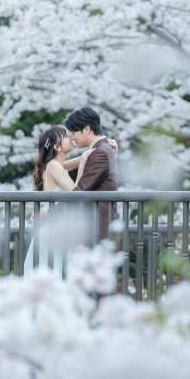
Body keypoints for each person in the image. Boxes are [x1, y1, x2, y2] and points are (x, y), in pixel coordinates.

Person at [23, 125, 117, 276]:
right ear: (57, 146)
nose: (71, 138)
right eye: (65, 136)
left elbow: (83, 157)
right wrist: (83, 166)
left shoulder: (56, 165)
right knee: (54, 273)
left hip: (53, 225)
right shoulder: (54, 166)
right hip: (53, 227)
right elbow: (75, 193)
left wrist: (103, 143)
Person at [64, 107, 119, 242]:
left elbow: (81, 191)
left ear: (86, 129)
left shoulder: (100, 153)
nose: (72, 137)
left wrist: (50, 213)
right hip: (100, 228)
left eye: (73, 132)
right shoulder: (102, 149)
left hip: (98, 230)